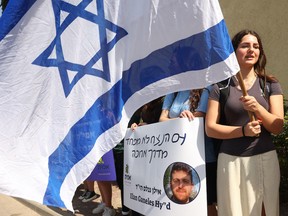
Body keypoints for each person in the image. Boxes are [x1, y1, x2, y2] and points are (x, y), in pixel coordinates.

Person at [205, 29, 284, 216]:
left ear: (260, 53)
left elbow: (277, 126)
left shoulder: (270, 84)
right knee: (234, 212)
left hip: (265, 159)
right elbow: (211, 129)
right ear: (234, 52)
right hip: (231, 162)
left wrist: (258, 108)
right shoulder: (220, 87)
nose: (251, 50)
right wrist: (242, 131)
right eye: (245, 46)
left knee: (266, 210)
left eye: (256, 46)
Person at [159, 88, 218, 215]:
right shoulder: (173, 90)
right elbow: (162, 119)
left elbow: (200, 117)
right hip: (177, 154)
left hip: (203, 156)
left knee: (207, 203)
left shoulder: (206, 88)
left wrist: (182, 119)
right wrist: (180, 120)